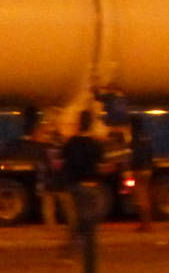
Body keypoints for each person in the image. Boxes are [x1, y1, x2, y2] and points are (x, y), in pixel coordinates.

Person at [59, 111, 105, 270]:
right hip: (92, 187)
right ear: (91, 124)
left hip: (76, 187)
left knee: (82, 220)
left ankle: (69, 250)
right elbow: (101, 164)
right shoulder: (95, 144)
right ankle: (89, 267)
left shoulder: (72, 143)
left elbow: (63, 161)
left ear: (79, 124)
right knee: (90, 229)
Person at [127, 116, 155, 232]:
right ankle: (147, 224)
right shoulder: (146, 137)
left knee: (140, 198)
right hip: (147, 169)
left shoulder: (134, 139)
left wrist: (131, 168)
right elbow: (150, 153)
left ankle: (145, 225)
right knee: (146, 197)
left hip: (139, 170)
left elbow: (134, 155)